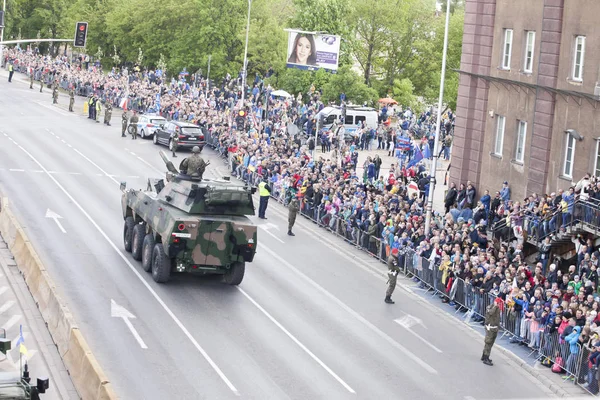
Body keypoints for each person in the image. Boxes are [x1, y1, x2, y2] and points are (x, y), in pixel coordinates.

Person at [482, 298, 501, 366]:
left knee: (491, 343)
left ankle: (484, 355)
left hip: (494, 328)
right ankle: (486, 357)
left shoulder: (497, 308)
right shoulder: (490, 307)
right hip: (490, 327)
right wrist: (495, 306)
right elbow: (491, 313)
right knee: (488, 342)